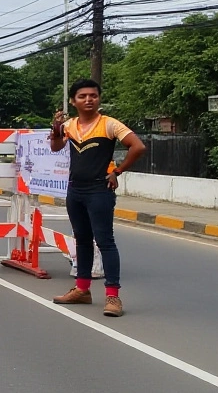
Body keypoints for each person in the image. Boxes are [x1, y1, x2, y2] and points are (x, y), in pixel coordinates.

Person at [50, 79, 146, 317]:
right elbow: (55, 147)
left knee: (105, 242)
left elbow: (138, 146)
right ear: (73, 101)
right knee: (82, 240)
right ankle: (82, 290)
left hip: (99, 190)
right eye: (82, 96)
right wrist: (55, 130)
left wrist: (117, 171)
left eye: (93, 95)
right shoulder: (70, 125)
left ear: (99, 98)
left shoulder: (109, 124)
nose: (88, 100)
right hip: (75, 190)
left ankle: (113, 297)